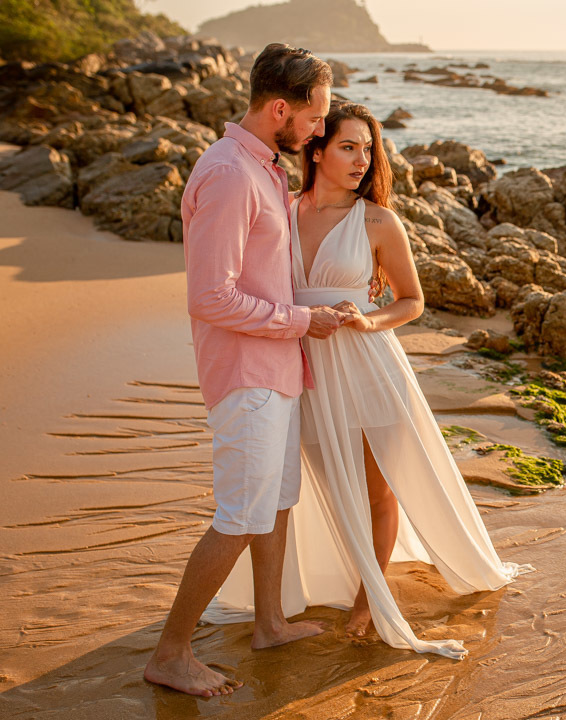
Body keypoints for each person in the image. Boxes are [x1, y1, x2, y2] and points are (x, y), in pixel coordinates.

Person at [201, 101, 534, 660]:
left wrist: (367, 319)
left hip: (368, 365)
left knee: (379, 486)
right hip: (299, 367)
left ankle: (367, 596)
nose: (362, 160)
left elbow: (412, 301)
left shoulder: (378, 220)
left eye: (368, 149)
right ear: (316, 148)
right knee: (312, 485)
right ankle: (292, 596)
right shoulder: (282, 211)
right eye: (348, 146)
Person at [143, 44, 360, 697]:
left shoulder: (265, 168)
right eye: (315, 116)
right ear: (278, 109)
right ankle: (170, 653)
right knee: (240, 513)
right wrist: (302, 322)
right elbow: (210, 295)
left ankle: (269, 621)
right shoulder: (232, 174)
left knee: (276, 501)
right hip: (247, 374)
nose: (320, 129)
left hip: (279, 369)